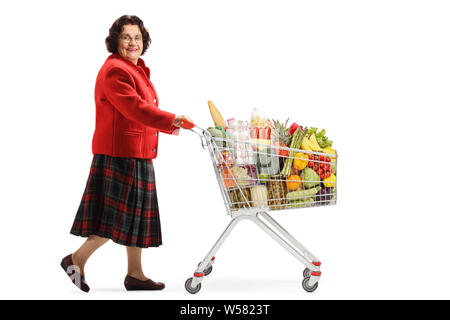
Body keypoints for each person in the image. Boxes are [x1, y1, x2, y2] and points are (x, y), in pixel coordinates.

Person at [60, 15, 194, 292]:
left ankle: (135, 274)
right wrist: (173, 120)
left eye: (137, 38)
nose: (133, 42)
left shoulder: (136, 69)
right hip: (120, 153)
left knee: (135, 217)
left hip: (138, 151)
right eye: (126, 37)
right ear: (115, 41)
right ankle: (76, 259)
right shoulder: (115, 71)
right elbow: (135, 108)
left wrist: (169, 123)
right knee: (115, 218)